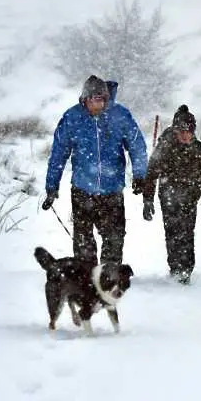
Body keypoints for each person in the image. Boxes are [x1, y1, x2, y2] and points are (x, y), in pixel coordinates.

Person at [42, 75, 148, 265]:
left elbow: (136, 145)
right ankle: (87, 276)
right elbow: (59, 152)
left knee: (114, 238)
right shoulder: (72, 117)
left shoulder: (120, 115)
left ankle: (109, 276)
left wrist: (140, 175)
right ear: (84, 100)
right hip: (82, 189)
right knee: (83, 240)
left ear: (105, 99)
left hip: (112, 190)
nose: (95, 105)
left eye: (99, 100)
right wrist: (52, 186)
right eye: (91, 100)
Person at [142, 104, 201, 285]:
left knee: (187, 233)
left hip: (190, 198)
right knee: (172, 233)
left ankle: (186, 270)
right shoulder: (165, 147)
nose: (185, 135)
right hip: (168, 197)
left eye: (189, 131)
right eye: (182, 131)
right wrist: (147, 199)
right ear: (175, 130)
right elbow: (151, 173)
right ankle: (175, 268)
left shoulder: (199, 149)